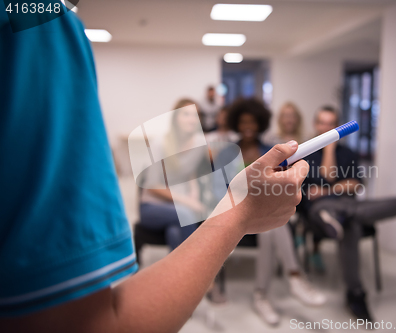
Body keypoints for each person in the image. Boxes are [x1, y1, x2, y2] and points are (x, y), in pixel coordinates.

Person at [0, 10, 310, 333]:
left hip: (181, 214)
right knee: (183, 220)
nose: (191, 124)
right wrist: (236, 213)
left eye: (195, 120)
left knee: (180, 229)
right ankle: (195, 288)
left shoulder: (207, 149)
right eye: (185, 119)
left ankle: (191, 288)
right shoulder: (37, 25)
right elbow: (79, 323)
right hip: (160, 208)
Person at [299, 106, 396, 322]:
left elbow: (356, 185)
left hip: (343, 205)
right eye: (323, 123)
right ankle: (355, 293)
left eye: (332, 123)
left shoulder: (348, 153)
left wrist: (328, 190)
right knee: (348, 222)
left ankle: (342, 216)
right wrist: (335, 179)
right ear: (315, 125)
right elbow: (318, 185)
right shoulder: (305, 153)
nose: (327, 128)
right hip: (318, 211)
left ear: (338, 126)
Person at [226, 98, 326, 327]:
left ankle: (262, 295)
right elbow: (223, 188)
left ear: (261, 122)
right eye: (243, 122)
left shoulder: (268, 150)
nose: (248, 126)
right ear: (236, 124)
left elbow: (280, 181)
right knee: (273, 225)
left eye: (252, 121)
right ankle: (293, 277)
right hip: (237, 208)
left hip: (263, 209)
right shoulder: (229, 152)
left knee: (271, 228)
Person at [138, 98, 202, 251]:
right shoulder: (160, 143)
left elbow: (189, 170)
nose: (192, 119)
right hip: (152, 206)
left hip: (178, 207)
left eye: (196, 115)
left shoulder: (199, 143)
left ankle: (179, 273)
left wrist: (194, 191)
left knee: (174, 232)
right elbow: (152, 186)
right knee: (186, 215)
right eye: (186, 114)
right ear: (175, 118)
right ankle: (195, 268)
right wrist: (187, 201)